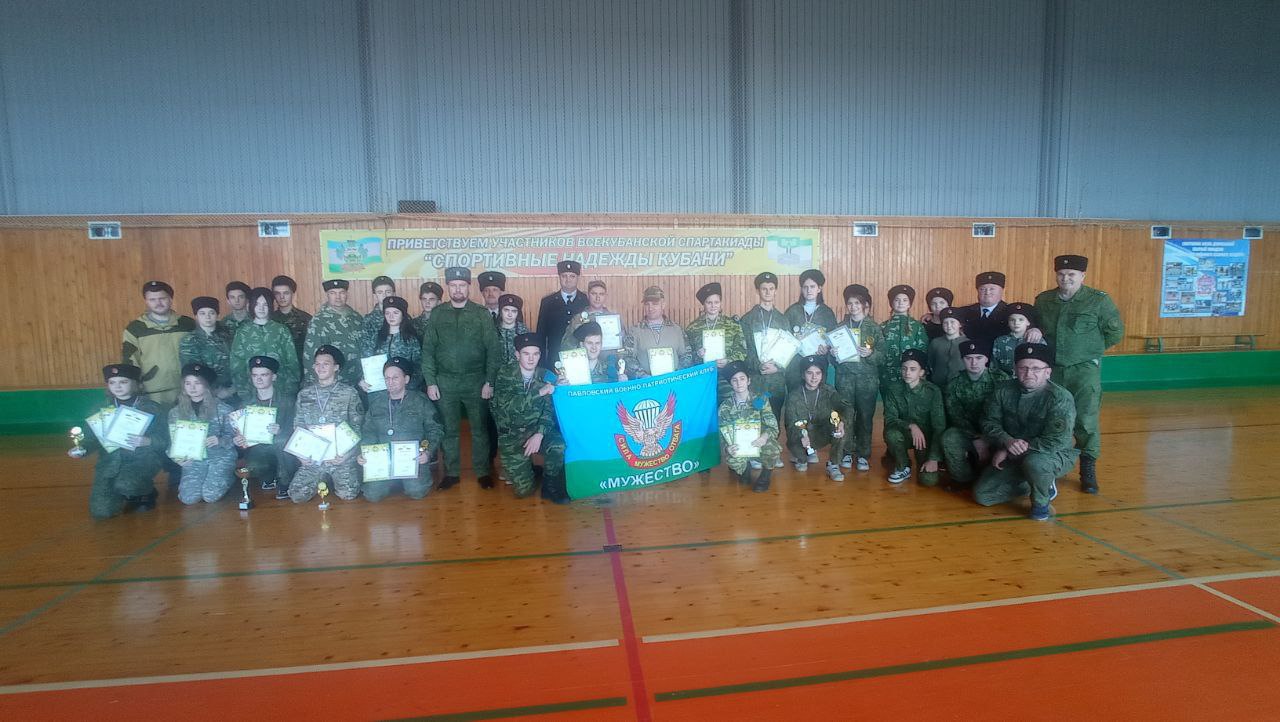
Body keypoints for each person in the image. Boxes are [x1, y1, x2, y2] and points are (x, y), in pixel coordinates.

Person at [1034, 254, 1124, 494]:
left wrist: (1089, 353)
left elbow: (1115, 333)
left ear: (1082, 276)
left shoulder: (1098, 301)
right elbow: (1038, 328)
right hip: (1053, 370)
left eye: (1071, 275)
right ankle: (1049, 466)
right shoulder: (1044, 300)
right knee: (1050, 418)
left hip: (1083, 371)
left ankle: (1088, 469)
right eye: (1061, 274)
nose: (1066, 279)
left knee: (1085, 420)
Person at [974, 343, 1079, 521]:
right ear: (1016, 369)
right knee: (983, 495)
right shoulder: (1003, 390)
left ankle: (1041, 503)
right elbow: (988, 421)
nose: (1029, 373)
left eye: (1036, 368)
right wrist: (1006, 441)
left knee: (1035, 463)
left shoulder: (1059, 398)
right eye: (1023, 368)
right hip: (1013, 450)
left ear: (1048, 372)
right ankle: (1035, 483)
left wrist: (1009, 451)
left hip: (1052, 454)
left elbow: (1055, 441)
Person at [421, 267, 502, 490]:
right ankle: (452, 473)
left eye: (462, 285)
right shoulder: (438, 314)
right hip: (445, 381)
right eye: (453, 285)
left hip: (476, 381)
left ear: (468, 287)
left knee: (479, 430)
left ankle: (483, 472)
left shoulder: (480, 313)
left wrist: (489, 381)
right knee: (449, 430)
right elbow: (428, 350)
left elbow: (493, 350)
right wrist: (431, 382)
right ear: (448, 287)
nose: (458, 289)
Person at [71, 364, 167, 519]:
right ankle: (123, 493)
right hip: (109, 463)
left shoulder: (152, 408)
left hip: (142, 460)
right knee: (101, 512)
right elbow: (91, 438)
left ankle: (146, 494)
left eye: (123, 382)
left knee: (127, 484)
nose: (117, 386)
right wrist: (83, 449)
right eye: (112, 382)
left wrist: (149, 441)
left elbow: (167, 438)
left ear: (136, 384)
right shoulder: (101, 409)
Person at [491, 333, 567, 502]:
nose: (531, 359)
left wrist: (539, 434)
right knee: (523, 491)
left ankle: (549, 485)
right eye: (526, 354)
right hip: (511, 435)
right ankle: (530, 470)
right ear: (517, 354)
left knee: (558, 445)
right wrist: (540, 392)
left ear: (540, 355)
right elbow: (508, 406)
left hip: (535, 430)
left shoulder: (547, 376)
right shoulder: (505, 373)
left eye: (535, 354)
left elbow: (548, 411)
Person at [358, 357, 444, 502]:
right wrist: (365, 452)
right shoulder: (377, 403)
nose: (390, 382)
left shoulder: (420, 401)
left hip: (412, 459)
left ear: (406, 379)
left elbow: (435, 429)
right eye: (387, 378)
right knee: (372, 495)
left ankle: (404, 481)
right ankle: (391, 481)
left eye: (395, 378)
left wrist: (427, 452)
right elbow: (368, 431)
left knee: (417, 492)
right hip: (383, 461)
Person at [291, 345, 365, 503]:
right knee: (297, 495)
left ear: (336, 367)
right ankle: (323, 478)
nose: (321, 367)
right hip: (314, 458)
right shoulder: (304, 394)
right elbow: (298, 426)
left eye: (326, 364)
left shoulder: (349, 393)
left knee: (348, 493)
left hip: (340, 457)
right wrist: (301, 454)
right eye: (317, 364)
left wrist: (347, 455)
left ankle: (335, 478)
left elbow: (357, 427)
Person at [169, 363, 237, 504]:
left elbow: (236, 438)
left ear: (207, 385)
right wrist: (177, 457)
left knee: (210, 496)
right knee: (189, 499)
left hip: (220, 457)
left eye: (197, 383)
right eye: (188, 383)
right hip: (194, 459)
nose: (192, 388)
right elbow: (172, 442)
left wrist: (220, 440)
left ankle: (229, 476)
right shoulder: (175, 412)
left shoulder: (224, 409)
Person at [940, 340, 1006, 488]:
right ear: (962, 360)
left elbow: (1008, 414)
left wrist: (988, 438)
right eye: (968, 358)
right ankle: (962, 479)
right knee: (949, 437)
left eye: (978, 358)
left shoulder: (1001, 380)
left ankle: (992, 475)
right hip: (969, 432)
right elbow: (956, 416)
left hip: (997, 432)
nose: (974, 362)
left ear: (986, 359)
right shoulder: (954, 384)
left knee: (991, 479)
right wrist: (976, 438)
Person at [832, 284, 883, 472]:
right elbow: (832, 359)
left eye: (857, 303)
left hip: (867, 381)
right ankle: (846, 451)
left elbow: (883, 356)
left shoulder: (874, 328)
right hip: (844, 379)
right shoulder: (840, 328)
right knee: (845, 416)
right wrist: (833, 354)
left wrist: (871, 354)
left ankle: (863, 454)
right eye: (850, 303)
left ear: (864, 305)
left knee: (865, 417)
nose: (853, 307)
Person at [232, 356, 297, 500]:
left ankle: (285, 482)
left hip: (283, 451)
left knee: (281, 440)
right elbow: (239, 436)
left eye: (264, 375)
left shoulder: (288, 401)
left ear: (274, 377)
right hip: (259, 450)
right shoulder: (245, 405)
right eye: (255, 375)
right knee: (254, 467)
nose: (259, 379)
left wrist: (281, 431)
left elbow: (298, 431)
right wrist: (238, 440)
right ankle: (269, 475)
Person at [122, 280, 195, 406]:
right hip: (151, 391)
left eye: (162, 298)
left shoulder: (187, 324)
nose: (158, 303)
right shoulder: (135, 328)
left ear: (171, 299)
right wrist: (135, 386)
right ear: (146, 301)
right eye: (152, 299)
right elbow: (130, 361)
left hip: (186, 388)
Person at [882, 349, 946, 486]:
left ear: (921, 372)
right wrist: (911, 426)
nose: (907, 373)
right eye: (904, 368)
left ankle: (934, 462)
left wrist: (934, 458)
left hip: (925, 439)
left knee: (928, 481)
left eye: (913, 369)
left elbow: (939, 427)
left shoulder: (933, 392)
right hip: (905, 434)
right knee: (891, 433)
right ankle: (903, 466)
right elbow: (890, 419)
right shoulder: (893, 389)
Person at [782, 355, 848, 481]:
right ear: (803, 375)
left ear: (822, 375)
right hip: (801, 437)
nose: (814, 377)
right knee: (802, 465)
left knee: (839, 431)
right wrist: (801, 435)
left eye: (818, 373)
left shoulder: (828, 391)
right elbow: (790, 424)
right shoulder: (793, 395)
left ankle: (833, 464)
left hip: (821, 433)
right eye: (809, 373)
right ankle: (800, 457)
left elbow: (845, 407)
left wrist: (842, 422)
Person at [718, 361, 780, 492]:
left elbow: (773, 427)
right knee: (733, 460)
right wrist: (727, 448)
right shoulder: (725, 407)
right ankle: (745, 469)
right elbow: (723, 434)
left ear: (748, 381)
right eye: (734, 380)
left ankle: (765, 476)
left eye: (742, 378)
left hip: (758, 442)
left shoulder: (761, 400)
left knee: (773, 449)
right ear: (730, 383)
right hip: (739, 446)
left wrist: (764, 437)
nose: (739, 383)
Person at [230, 287, 300, 401]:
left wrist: (290, 388)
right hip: (252, 392)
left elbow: (292, 361)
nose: (261, 308)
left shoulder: (281, 330)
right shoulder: (243, 332)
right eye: (257, 304)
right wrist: (243, 390)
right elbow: (237, 364)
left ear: (271, 306)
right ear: (251, 306)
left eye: (265, 305)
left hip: (281, 391)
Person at [739, 271, 790, 427]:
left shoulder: (783, 320)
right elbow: (743, 350)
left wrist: (778, 367)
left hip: (776, 383)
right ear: (758, 291)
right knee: (755, 421)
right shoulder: (747, 319)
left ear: (776, 291)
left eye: (771, 288)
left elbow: (789, 351)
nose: (768, 292)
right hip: (756, 383)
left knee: (774, 423)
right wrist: (758, 365)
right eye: (764, 289)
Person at [685, 282, 747, 400]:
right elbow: (686, 356)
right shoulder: (692, 328)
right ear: (703, 304)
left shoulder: (732, 325)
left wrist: (728, 360)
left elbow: (742, 351)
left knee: (726, 408)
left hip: (727, 378)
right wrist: (698, 354)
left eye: (716, 302)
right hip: (703, 378)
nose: (713, 306)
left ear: (720, 303)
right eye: (709, 302)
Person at [302, 279, 364, 386]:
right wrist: (316, 385)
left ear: (346, 294)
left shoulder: (356, 317)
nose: (338, 297)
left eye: (341, 292)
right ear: (327, 295)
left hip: (359, 380)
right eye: (333, 293)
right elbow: (310, 356)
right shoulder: (318, 321)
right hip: (335, 382)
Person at [784, 269, 837, 389]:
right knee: (796, 395)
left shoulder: (827, 313)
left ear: (819, 289)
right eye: (805, 287)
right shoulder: (792, 311)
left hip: (818, 365)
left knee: (817, 396)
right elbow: (784, 337)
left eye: (812, 287)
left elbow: (833, 339)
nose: (809, 290)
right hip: (795, 365)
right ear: (801, 289)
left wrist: (827, 348)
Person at [622, 286, 691, 377]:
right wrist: (643, 376)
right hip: (647, 383)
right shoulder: (635, 331)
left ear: (663, 305)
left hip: (674, 382)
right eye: (647, 304)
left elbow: (686, 355)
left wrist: (677, 374)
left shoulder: (677, 330)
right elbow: (628, 358)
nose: (650, 308)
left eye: (655, 304)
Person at [179, 296, 237, 402]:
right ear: (196, 316)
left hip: (233, 390)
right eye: (202, 313)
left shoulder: (229, 335)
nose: (208, 317)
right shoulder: (189, 340)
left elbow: (238, 362)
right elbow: (192, 371)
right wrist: (213, 391)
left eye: (211, 313)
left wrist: (232, 389)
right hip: (205, 393)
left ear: (217, 315)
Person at [360, 296, 422, 391]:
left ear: (403, 315)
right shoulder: (376, 337)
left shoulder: (411, 339)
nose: (391, 317)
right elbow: (366, 361)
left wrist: (408, 387)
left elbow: (419, 367)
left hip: (405, 391)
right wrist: (363, 379)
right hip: (379, 390)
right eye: (387, 313)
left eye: (395, 313)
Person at [536, 260, 588, 362]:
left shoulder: (586, 300)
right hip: (555, 357)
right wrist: (541, 362)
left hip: (580, 356)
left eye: (572, 276)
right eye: (564, 276)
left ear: (578, 278)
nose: (568, 280)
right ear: (559, 277)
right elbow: (541, 334)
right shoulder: (548, 302)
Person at [879, 284, 929, 389]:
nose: (901, 303)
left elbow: (923, 350)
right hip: (887, 375)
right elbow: (878, 350)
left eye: (905, 300)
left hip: (911, 375)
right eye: (897, 300)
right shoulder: (883, 327)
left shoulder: (917, 326)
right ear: (892, 303)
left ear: (909, 304)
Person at [958, 271, 1014, 349]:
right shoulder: (964, 311)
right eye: (982, 289)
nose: (987, 292)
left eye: (992, 289)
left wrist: (1032, 330)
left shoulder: (1011, 312)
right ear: (977, 291)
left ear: (1002, 290)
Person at [557, 321, 621, 383]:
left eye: (597, 343)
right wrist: (560, 386)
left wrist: (623, 383)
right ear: (582, 345)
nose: (594, 347)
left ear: (601, 345)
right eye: (590, 343)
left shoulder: (611, 371)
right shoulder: (569, 373)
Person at [991, 302, 1044, 376]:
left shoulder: (1036, 340)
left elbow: (1043, 365)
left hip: (1029, 378)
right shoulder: (1000, 341)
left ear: (1028, 322)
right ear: (1008, 323)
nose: (1016, 323)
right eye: (1012, 320)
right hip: (1005, 379)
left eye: (1021, 319)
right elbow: (994, 366)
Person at [270, 275, 311, 365]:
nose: (282, 297)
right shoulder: (270, 319)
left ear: (293, 294)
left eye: (286, 293)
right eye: (277, 293)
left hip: (299, 366)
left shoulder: (305, 318)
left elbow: (311, 348)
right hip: (275, 367)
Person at [561, 280, 612, 350]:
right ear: (588, 295)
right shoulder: (577, 319)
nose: (597, 298)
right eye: (594, 294)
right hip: (584, 356)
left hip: (609, 356)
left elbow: (624, 345)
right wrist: (577, 336)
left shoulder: (614, 319)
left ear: (606, 296)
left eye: (601, 294)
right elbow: (565, 347)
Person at [925, 307, 969, 389]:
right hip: (938, 386)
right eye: (945, 323)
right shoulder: (935, 343)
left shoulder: (967, 343)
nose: (949, 326)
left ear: (960, 324)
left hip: (960, 387)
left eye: (952, 322)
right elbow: (931, 363)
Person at [495, 293, 530, 363]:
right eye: (506, 310)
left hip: (517, 369)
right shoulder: (493, 330)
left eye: (514, 311)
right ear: (500, 311)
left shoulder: (524, 331)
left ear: (518, 313)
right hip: (497, 369)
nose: (510, 314)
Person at [361, 276, 398, 341]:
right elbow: (365, 344)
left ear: (394, 293)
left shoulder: (403, 316)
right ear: (375, 295)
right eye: (380, 292)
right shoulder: (369, 320)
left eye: (388, 292)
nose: (384, 295)